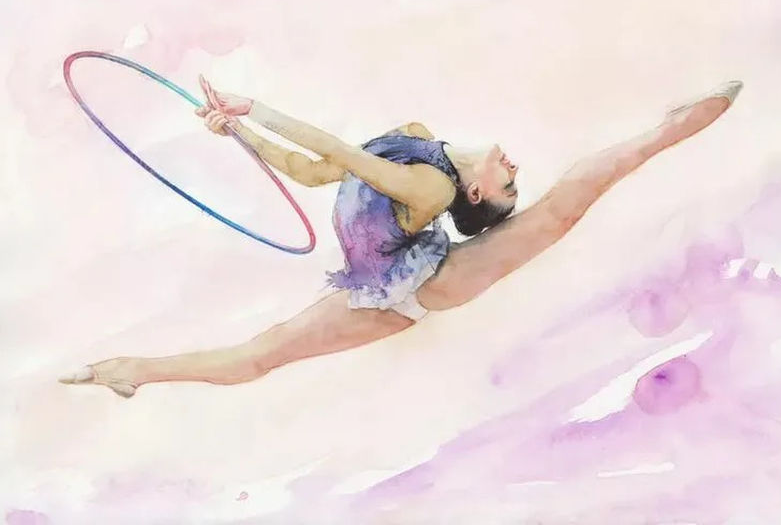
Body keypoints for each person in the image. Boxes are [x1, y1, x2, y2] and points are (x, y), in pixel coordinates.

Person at [59, 78, 743, 397]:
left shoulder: (432, 191)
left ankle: (670, 128)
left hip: (429, 283)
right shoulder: (415, 139)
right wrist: (237, 131)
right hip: (371, 290)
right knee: (260, 355)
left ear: (473, 196)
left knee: (557, 214)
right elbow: (311, 169)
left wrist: (254, 107)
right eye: (512, 179)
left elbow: (338, 153)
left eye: (507, 185)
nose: (513, 171)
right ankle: (130, 372)